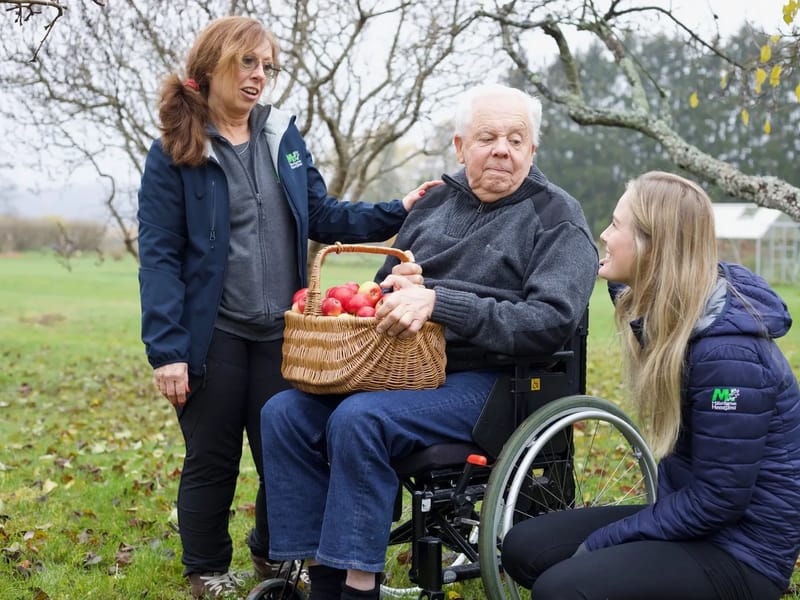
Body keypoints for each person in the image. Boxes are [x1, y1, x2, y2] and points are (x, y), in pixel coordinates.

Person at [136, 16, 437, 599]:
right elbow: (160, 258)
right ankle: (205, 569)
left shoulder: (283, 139)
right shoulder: (174, 153)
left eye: (268, 67)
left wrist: (396, 208)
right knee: (213, 456)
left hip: (285, 333)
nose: (259, 78)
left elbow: (322, 215)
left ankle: (273, 558)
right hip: (212, 335)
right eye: (248, 63)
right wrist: (168, 351)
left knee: (283, 447)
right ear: (212, 65)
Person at [260, 83, 599, 600]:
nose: (502, 149)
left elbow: (549, 321)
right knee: (284, 411)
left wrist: (438, 302)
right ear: (461, 147)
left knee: (360, 419)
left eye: (516, 138)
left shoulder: (558, 218)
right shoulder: (433, 205)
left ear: (533, 149)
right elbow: (383, 287)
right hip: (404, 371)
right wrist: (390, 292)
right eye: (488, 137)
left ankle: (355, 586)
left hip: (497, 383)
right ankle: (313, 571)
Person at [501, 171, 800, 600]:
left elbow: (718, 500)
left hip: (743, 552)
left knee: (562, 589)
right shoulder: (670, 306)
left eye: (616, 226)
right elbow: (622, 284)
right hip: (694, 520)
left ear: (653, 246)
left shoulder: (728, 358)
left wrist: (603, 543)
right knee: (524, 548)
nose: (604, 234)